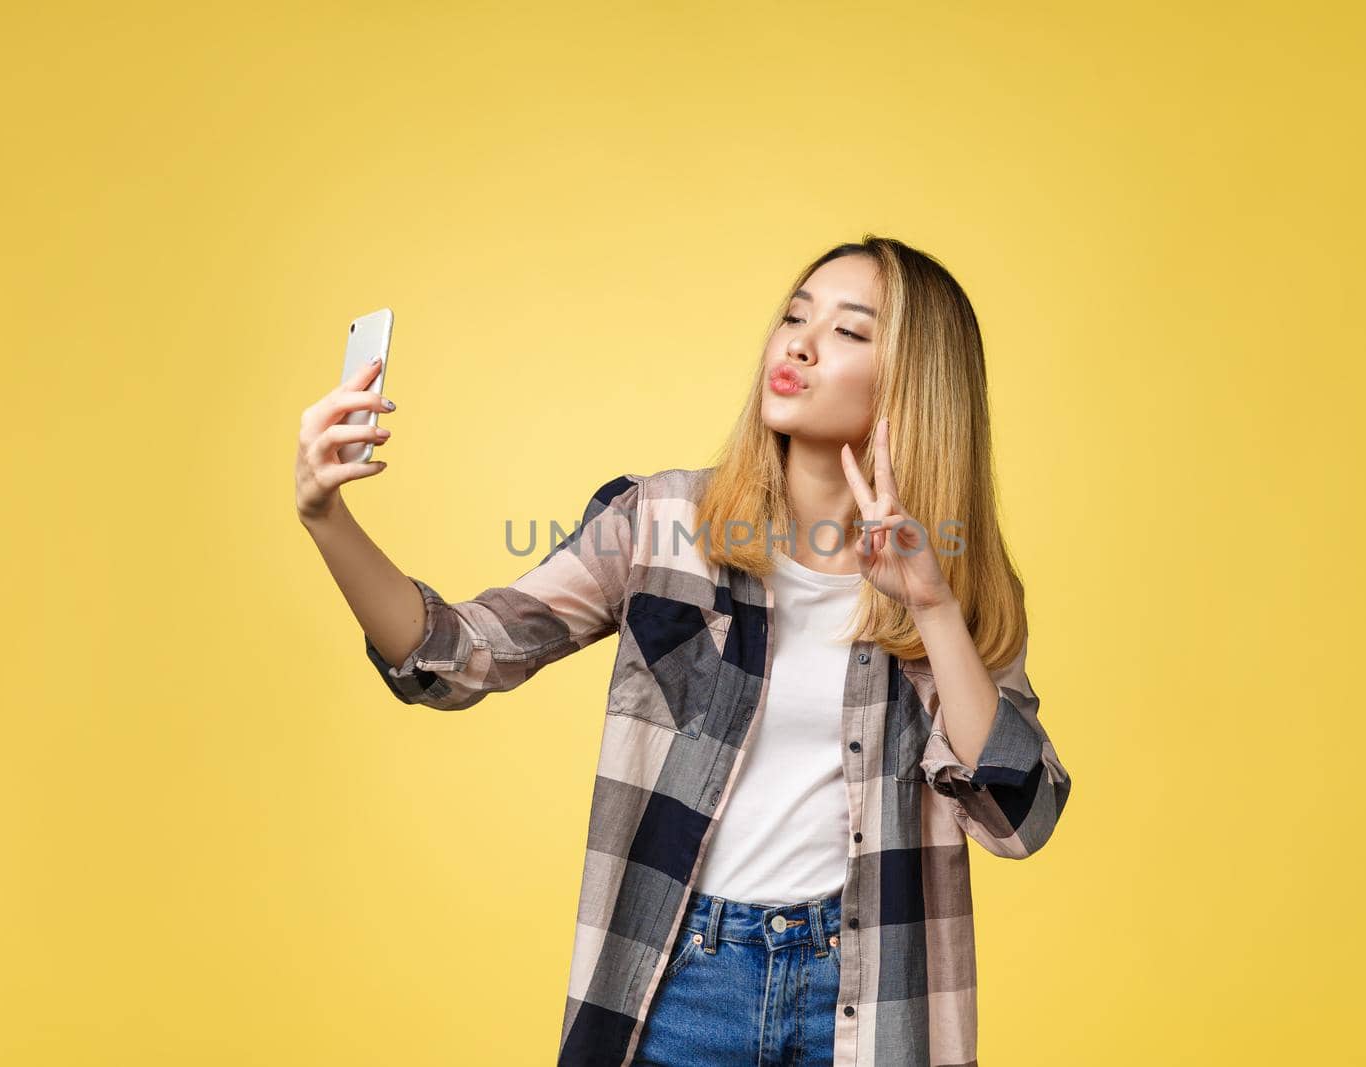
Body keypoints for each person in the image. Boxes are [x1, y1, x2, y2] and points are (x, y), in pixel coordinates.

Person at [296, 234, 1073, 1066]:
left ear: (916, 385)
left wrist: (931, 606)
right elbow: (457, 656)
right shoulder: (660, 524)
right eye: (793, 315)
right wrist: (326, 519)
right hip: (682, 986)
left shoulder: (959, 585)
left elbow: (1017, 819)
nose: (800, 342)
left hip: (868, 1003)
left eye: (850, 331)